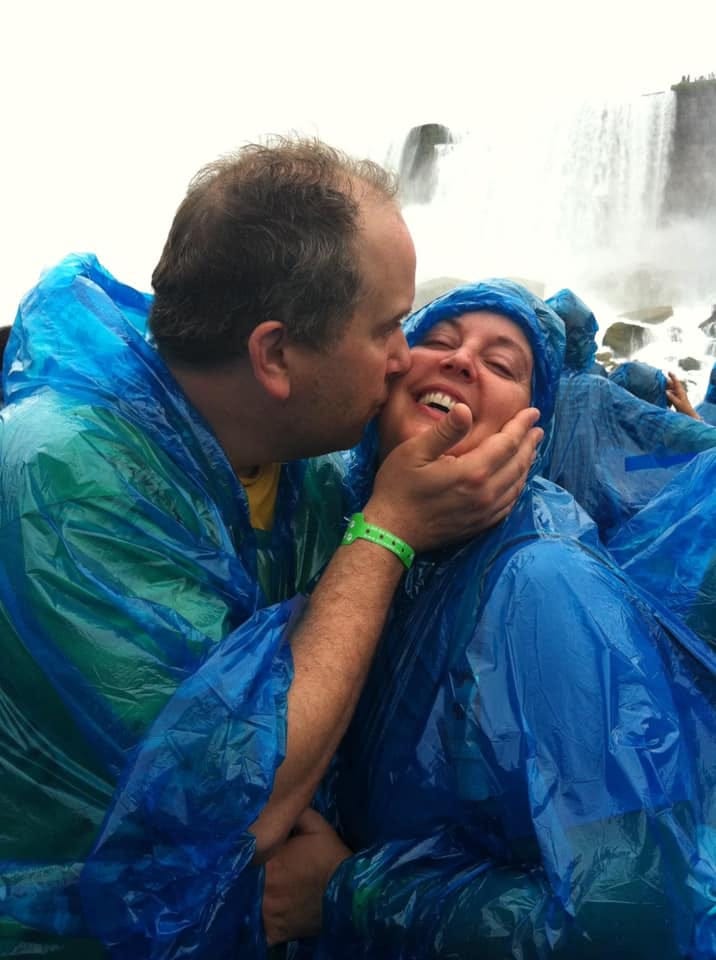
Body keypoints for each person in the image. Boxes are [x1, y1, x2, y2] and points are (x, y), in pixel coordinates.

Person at [0, 140, 542, 958]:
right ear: (277, 355)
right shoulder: (66, 476)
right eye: (389, 328)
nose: (406, 358)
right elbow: (226, 808)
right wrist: (389, 531)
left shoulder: (295, 461)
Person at [264, 280, 716, 958]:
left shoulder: (545, 588)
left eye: (502, 364)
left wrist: (348, 890)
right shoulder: (345, 535)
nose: (461, 360)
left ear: (535, 427)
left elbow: (635, 914)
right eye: (438, 341)